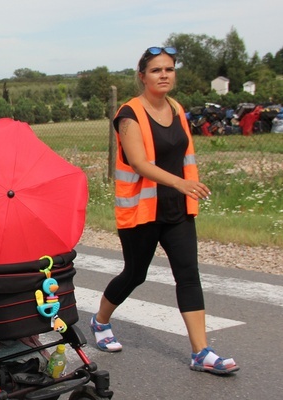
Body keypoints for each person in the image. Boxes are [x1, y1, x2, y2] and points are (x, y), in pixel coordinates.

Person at [90, 46, 238, 375]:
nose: (164, 75)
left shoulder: (176, 108)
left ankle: (201, 352)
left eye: (169, 69)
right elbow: (140, 163)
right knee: (135, 274)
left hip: (177, 209)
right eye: (156, 70)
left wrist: (183, 189)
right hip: (142, 212)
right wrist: (180, 183)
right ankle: (100, 321)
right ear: (142, 76)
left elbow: (182, 154)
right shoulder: (129, 115)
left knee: (188, 275)